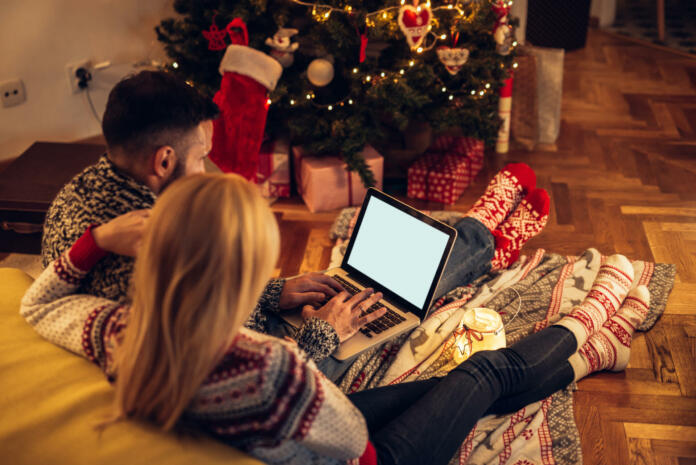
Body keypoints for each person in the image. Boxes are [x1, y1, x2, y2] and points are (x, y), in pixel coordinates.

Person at [23, 173, 651, 465]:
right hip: (368, 456)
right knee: (485, 372)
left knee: (439, 389)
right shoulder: (269, 371)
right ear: (239, 280)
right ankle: (598, 321)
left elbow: (38, 303)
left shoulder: (119, 329)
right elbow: (349, 436)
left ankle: (589, 352)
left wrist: (96, 240)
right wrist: (326, 334)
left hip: (276, 420)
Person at [41, 70, 551, 368]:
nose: (206, 169)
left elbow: (216, 301)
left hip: (240, 327)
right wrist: (324, 334)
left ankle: (483, 238)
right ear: (165, 161)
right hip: (274, 357)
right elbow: (249, 379)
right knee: (385, 303)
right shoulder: (160, 259)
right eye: (201, 157)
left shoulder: (77, 195)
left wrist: (273, 293)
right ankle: (484, 236)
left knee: (368, 289)